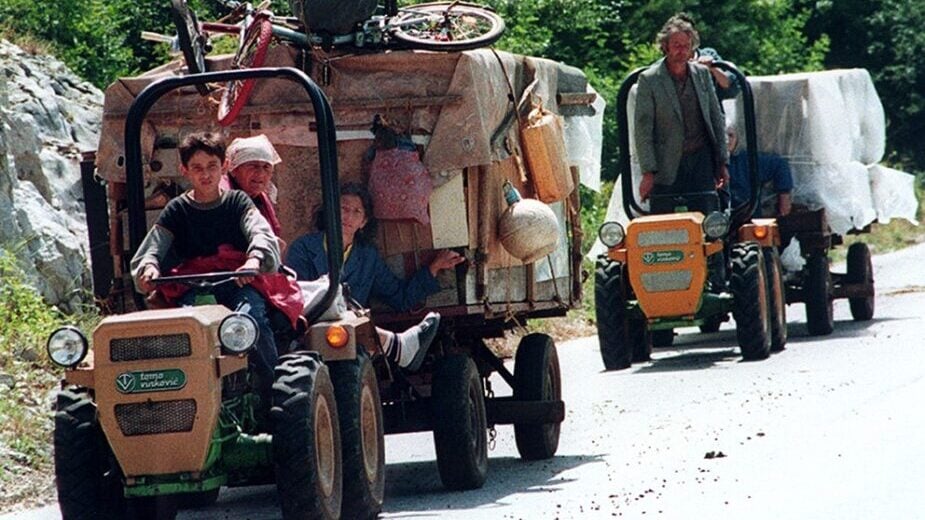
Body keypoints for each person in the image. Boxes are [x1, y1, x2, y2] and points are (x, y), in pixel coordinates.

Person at [130, 131, 294, 415]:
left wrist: (254, 260)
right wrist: (149, 267)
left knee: (250, 320)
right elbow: (154, 247)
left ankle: (273, 397)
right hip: (194, 289)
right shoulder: (177, 210)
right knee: (184, 334)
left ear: (224, 168)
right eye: (197, 168)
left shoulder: (238, 203)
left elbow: (259, 233)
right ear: (184, 171)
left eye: (211, 167)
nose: (205, 175)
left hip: (237, 283)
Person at [286, 182, 465, 371]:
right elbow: (298, 297)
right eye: (343, 209)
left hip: (350, 342)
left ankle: (398, 346)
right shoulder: (303, 248)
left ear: (364, 222)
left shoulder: (368, 257)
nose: (348, 216)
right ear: (330, 211)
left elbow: (399, 297)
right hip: (312, 330)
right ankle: (397, 346)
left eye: (357, 212)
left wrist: (433, 268)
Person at [635, 13, 730, 213]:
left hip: (700, 159)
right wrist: (648, 172)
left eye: (686, 46)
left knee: (709, 219)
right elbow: (643, 130)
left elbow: (716, 118)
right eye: (676, 45)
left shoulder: (702, 75)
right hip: (666, 163)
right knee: (663, 224)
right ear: (665, 46)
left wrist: (722, 162)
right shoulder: (649, 79)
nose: (681, 50)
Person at [726, 124, 793, 217]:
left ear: (737, 138)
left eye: (730, 135)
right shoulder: (705, 163)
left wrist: (784, 195)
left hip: (748, 221)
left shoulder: (747, 160)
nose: (727, 140)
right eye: (723, 136)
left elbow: (779, 164)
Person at [223, 134, 283, 238]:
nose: (260, 174)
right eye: (252, 166)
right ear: (234, 170)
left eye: (266, 167)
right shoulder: (223, 198)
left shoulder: (261, 199)